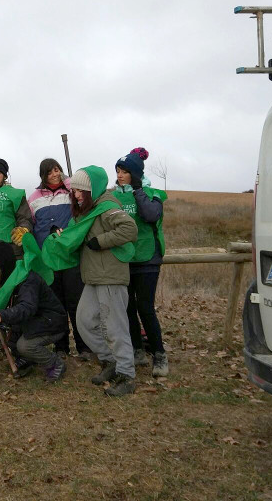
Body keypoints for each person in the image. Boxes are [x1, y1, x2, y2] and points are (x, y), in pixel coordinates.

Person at [68, 166, 138, 396]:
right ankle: (110, 362)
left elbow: (130, 229)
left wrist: (101, 241)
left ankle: (127, 375)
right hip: (94, 276)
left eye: (80, 191)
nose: (76, 195)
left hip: (110, 276)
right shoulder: (90, 208)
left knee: (115, 328)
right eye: (75, 191)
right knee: (84, 321)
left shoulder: (107, 207)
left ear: (92, 190)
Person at [27, 158, 93, 361]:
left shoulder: (70, 191)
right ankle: (61, 347)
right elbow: (32, 225)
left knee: (76, 304)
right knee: (57, 305)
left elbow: (82, 209)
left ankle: (84, 348)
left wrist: (68, 182)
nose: (55, 174)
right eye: (50, 172)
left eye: (58, 170)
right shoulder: (34, 198)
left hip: (70, 257)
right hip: (49, 260)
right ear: (43, 175)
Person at [113, 147, 169, 377]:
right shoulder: (114, 196)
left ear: (135, 174)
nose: (119, 175)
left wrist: (137, 190)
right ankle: (137, 350)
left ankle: (159, 354)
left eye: (124, 171)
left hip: (147, 259)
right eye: (117, 171)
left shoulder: (152, 193)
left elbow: (150, 215)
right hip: (124, 259)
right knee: (128, 308)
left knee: (145, 308)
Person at [0, 240, 67, 382]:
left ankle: (55, 363)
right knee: (11, 338)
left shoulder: (27, 279)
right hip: (35, 320)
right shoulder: (10, 277)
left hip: (52, 322)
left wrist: (1, 315)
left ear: (4, 265)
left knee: (24, 346)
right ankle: (27, 360)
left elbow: (27, 308)